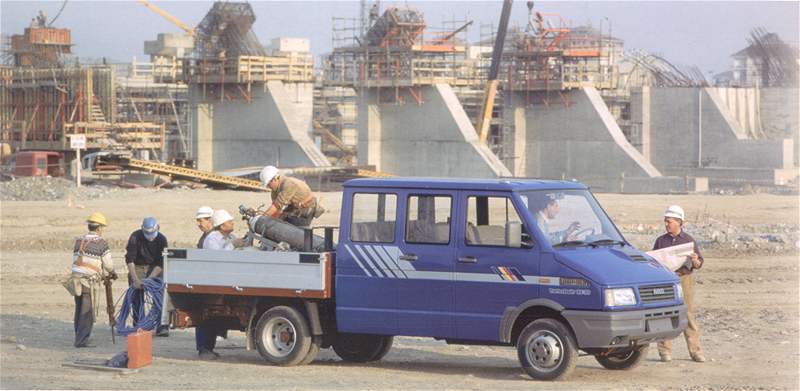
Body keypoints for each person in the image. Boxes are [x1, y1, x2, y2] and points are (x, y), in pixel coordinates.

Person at [653, 205, 706, 363]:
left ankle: (695, 351)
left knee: (688, 314)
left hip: (684, 279)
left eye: (669, 221)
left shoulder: (689, 240)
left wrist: (695, 260)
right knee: (665, 313)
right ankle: (665, 352)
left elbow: (699, 263)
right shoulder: (661, 241)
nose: (666, 224)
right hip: (666, 280)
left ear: (679, 222)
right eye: (665, 221)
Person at [63, 212, 116, 348]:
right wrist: (112, 272)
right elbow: (109, 265)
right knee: (87, 313)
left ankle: (79, 337)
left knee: (79, 309)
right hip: (87, 282)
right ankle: (81, 341)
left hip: (75, 281)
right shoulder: (101, 243)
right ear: (99, 228)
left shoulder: (79, 241)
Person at [124, 217, 169, 335]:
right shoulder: (135, 237)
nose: (150, 236)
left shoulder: (162, 239)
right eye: (147, 233)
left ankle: (162, 326)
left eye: (152, 233)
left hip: (155, 267)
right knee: (136, 296)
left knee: (160, 296)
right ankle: (139, 325)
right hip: (137, 267)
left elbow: (161, 263)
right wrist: (135, 279)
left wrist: (149, 280)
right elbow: (130, 259)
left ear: (157, 228)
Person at [258, 165, 325, 227]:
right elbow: (276, 210)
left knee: (293, 230)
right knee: (278, 223)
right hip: (294, 207)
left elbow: (276, 207)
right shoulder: (275, 190)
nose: (268, 187)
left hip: (307, 208)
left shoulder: (289, 184)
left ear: (275, 179)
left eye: (268, 184)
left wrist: (261, 219)